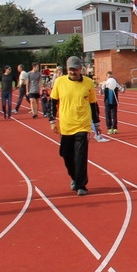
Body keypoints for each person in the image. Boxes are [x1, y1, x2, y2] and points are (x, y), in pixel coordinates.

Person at [49, 55, 98, 195]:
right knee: (66, 155)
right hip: (66, 126)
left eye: (75, 69)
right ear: (67, 69)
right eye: (70, 69)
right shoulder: (59, 82)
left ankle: (81, 185)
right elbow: (52, 102)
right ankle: (75, 178)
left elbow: (93, 104)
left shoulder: (88, 83)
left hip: (82, 125)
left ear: (80, 69)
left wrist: (96, 123)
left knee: (80, 156)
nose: (73, 72)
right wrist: (52, 121)